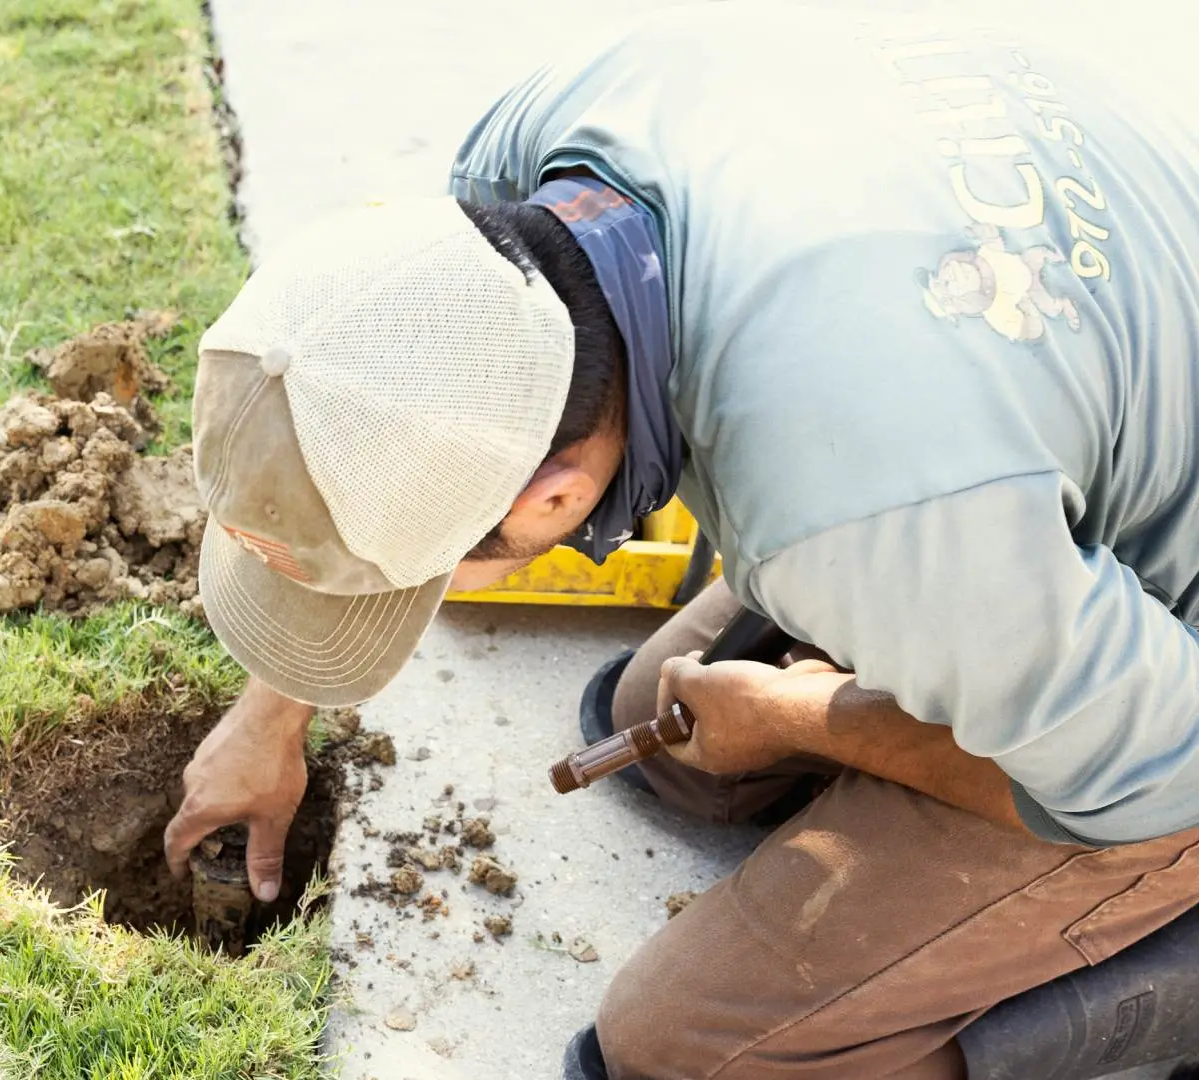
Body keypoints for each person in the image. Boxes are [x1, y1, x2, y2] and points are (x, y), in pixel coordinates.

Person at [162, 4, 1199, 1078]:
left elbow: (1166, 769)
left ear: (556, 503)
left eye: (420, 575)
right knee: (656, 726)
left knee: (681, 1051)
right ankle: (982, 675)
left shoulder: (851, 512)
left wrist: (808, 717)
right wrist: (267, 717)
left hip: (1170, 705)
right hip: (1058, 374)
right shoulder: (536, 158)